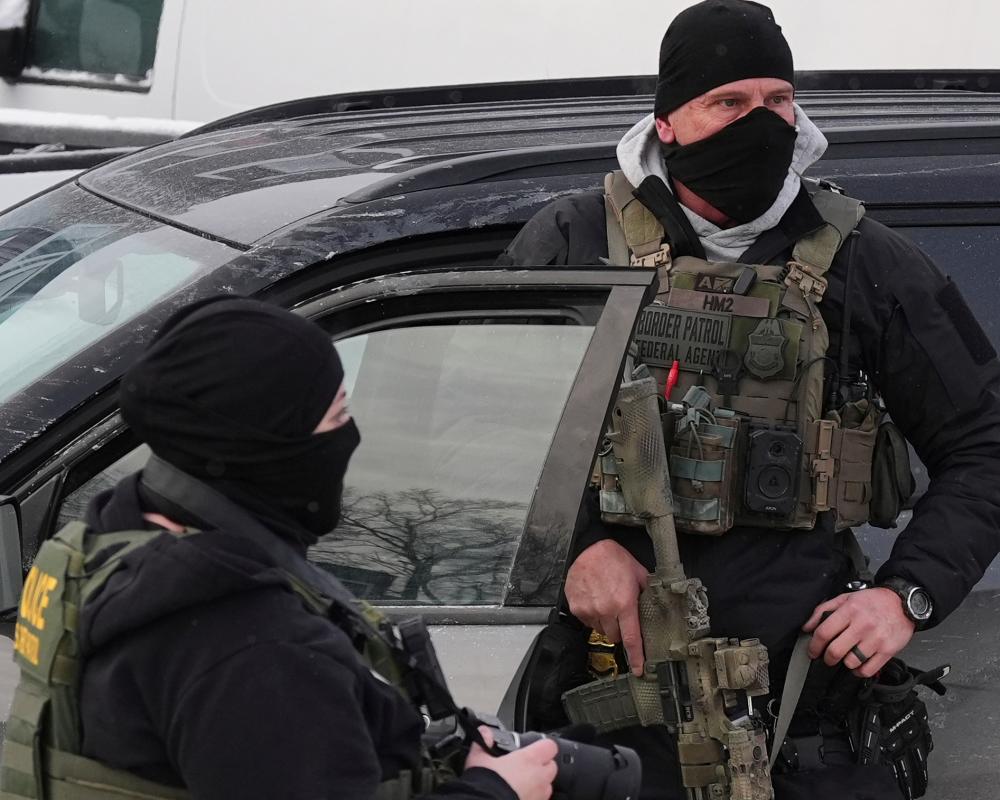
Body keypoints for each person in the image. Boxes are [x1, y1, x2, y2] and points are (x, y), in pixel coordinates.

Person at [497, 1, 1000, 798]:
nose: (759, 123)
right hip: (616, 719)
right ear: (668, 121)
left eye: (777, 101)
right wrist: (577, 545)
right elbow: (482, 429)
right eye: (728, 102)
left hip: (805, 712)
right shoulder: (573, 243)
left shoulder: (865, 261)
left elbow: (986, 441)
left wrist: (907, 595)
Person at [1, 297, 558, 800]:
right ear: (265, 447)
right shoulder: (253, 649)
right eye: (337, 415)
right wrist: (497, 792)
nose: (351, 434)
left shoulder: (105, 544)